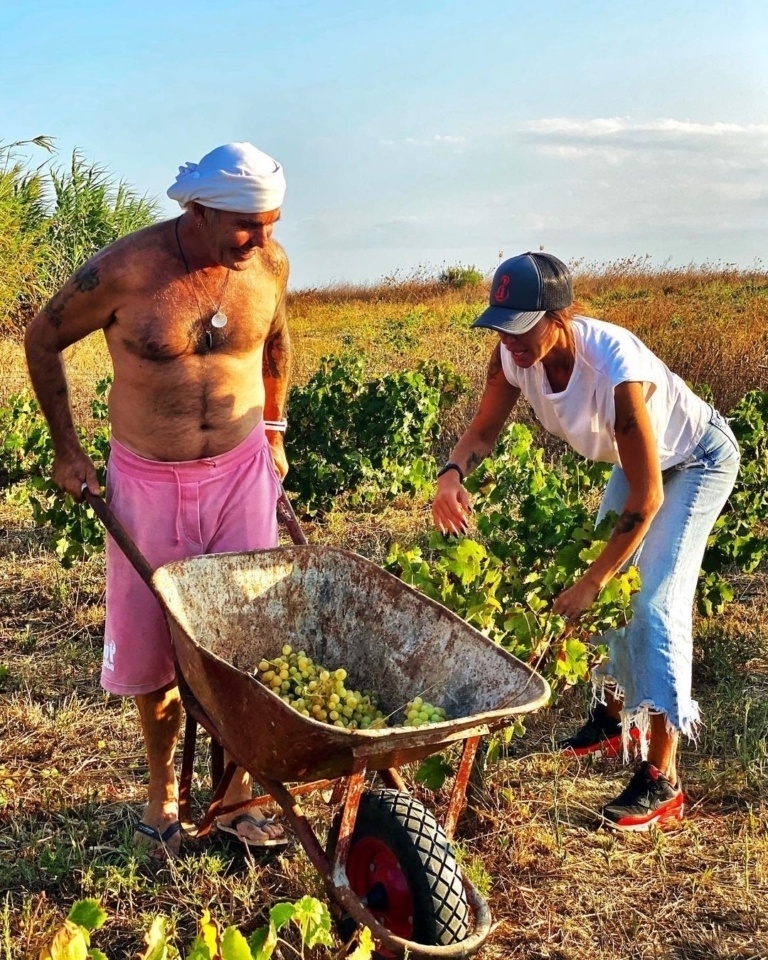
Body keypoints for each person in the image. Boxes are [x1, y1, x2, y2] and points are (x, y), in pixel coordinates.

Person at [24, 142, 292, 858]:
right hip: (148, 480)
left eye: (270, 222)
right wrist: (67, 450)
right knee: (153, 649)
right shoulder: (126, 269)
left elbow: (275, 345)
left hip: (239, 475)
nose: (262, 239)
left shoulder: (268, 265)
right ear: (198, 210)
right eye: (246, 225)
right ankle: (162, 793)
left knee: (241, 641)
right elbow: (41, 339)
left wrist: (273, 431)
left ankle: (235, 797)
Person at [432, 251, 740, 832]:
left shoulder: (614, 370)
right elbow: (483, 428)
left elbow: (646, 499)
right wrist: (451, 474)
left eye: (523, 327)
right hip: (640, 460)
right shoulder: (511, 357)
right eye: (501, 324)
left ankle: (663, 780)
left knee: (648, 602)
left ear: (559, 317)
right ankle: (610, 721)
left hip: (696, 459)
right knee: (599, 578)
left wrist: (594, 581)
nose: (511, 341)